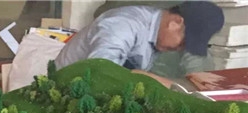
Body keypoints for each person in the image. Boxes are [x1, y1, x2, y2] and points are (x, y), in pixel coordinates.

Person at [54, 2, 224, 87]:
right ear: (175, 23)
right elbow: (101, 71)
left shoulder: (155, 29)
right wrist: (169, 84)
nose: (179, 49)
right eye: (184, 43)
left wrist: (187, 80)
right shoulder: (124, 25)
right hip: (66, 90)